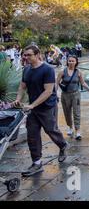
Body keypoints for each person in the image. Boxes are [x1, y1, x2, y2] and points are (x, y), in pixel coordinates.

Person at [12, 45, 68, 177]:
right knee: (32, 135)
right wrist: (18, 99)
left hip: (47, 107)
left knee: (51, 130)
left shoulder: (47, 69)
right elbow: (22, 86)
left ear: (37, 55)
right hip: (33, 109)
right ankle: (37, 163)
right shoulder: (26, 69)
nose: (25, 57)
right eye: (25, 55)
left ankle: (63, 145)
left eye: (29, 55)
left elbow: (48, 91)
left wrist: (32, 105)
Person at [56, 55, 89, 140]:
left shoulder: (78, 72)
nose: (71, 62)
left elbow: (83, 83)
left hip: (76, 94)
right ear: (67, 62)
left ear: (76, 62)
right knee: (67, 112)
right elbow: (56, 83)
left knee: (77, 112)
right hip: (65, 95)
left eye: (73, 61)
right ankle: (70, 127)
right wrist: (55, 93)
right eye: (69, 61)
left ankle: (78, 131)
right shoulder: (62, 71)